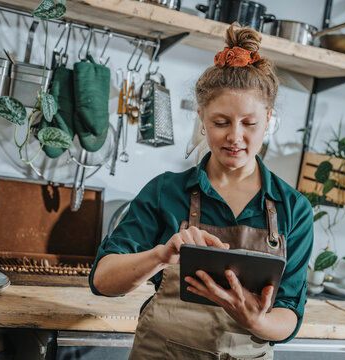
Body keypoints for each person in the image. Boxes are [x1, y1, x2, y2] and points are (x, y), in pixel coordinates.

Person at [90, 23, 313, 359]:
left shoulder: (292, 208)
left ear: (267, 120)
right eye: (221, 122)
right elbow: (103, 280)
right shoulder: (166, 191)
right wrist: (161, 255)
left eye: (249, 123)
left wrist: (256, 321)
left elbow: (289, 313)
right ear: (202, 118)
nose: (235, 137)